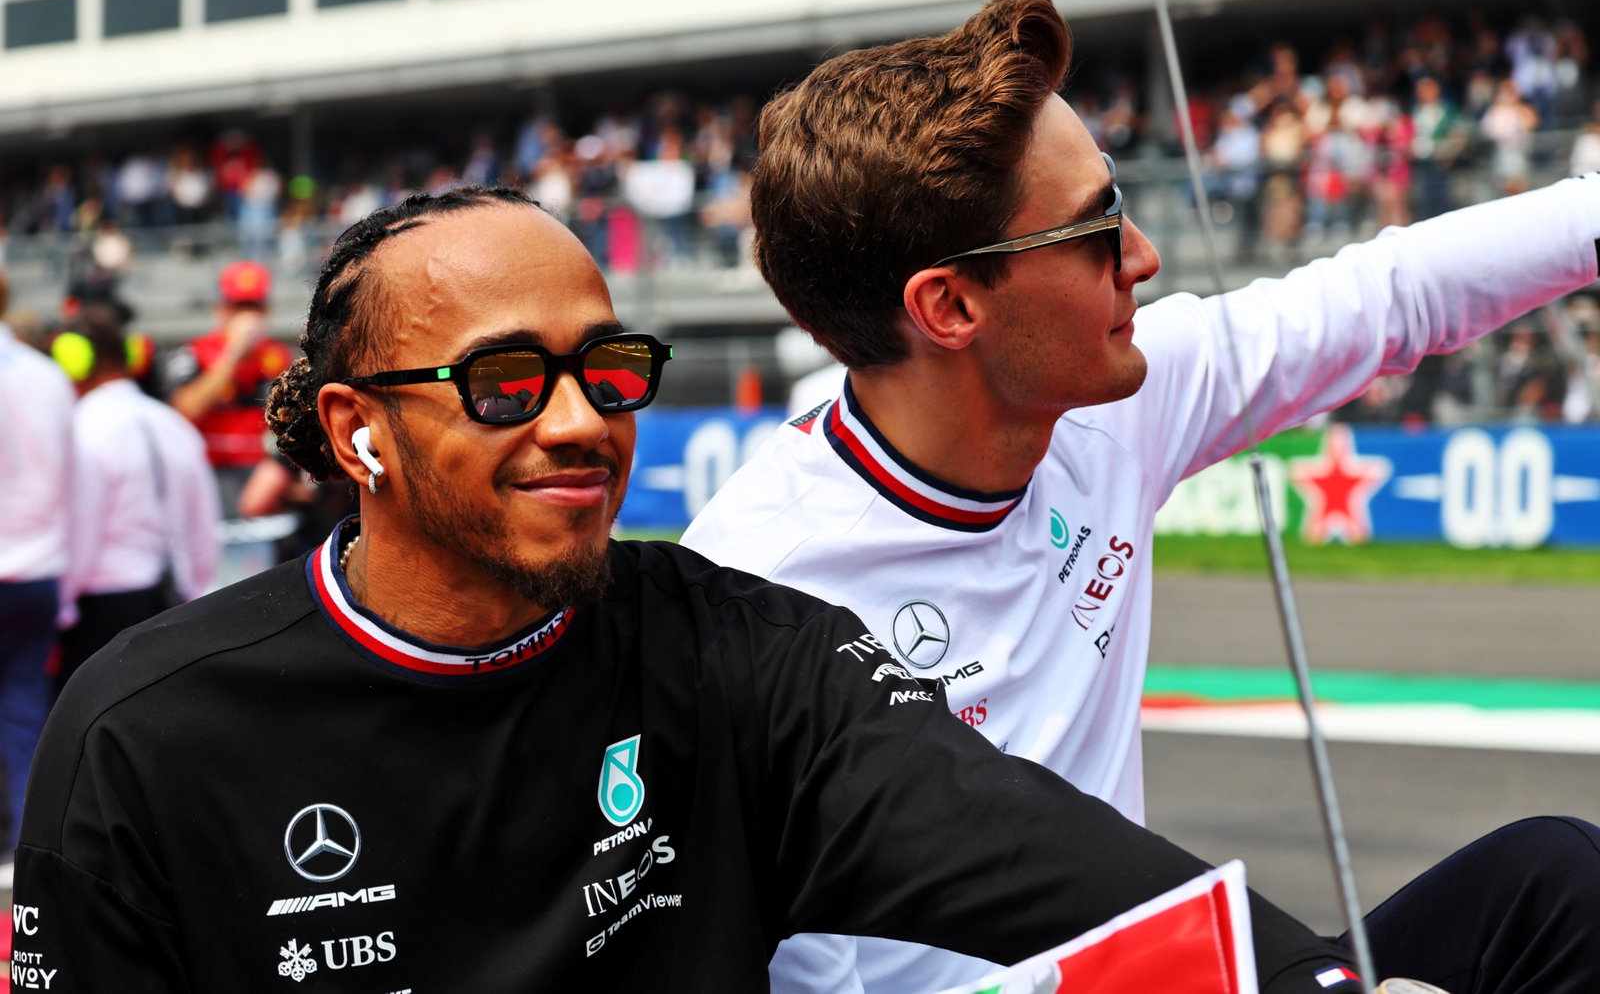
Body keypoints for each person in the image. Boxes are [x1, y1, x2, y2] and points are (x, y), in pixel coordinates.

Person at [13, 186, 1379, 992]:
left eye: (606, 371)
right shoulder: (147, 728)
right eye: (505, 382)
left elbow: (1040, 860)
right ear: (361, 432)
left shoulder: (734, 648)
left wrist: (1312, 977)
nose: (576, 421)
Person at [679, 0, 1600, 994]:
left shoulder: (1116, 399)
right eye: (1094, 228)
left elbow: (1388, 296)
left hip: (1169, 970)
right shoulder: (750, 604)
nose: (1144, 260)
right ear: (947, 306)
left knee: (1554, 880)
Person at [50, 306, 221, 693]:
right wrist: (197, 594)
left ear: (74, 360)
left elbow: (81, 529)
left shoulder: (84, 428)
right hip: (174, 600)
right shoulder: (174, 425)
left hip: (101, 605)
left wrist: (61, 606)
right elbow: (204, 527)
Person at [0, 266, 74, 859]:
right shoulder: (48, 377)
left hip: (32, 563)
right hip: (39, 572)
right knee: (25, 711)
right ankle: (28, 845)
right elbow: (70, 481)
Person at [165, 258, 295, 515]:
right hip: (207, 472)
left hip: (261, 476)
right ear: (221, 310)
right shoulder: (194, 353)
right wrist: (233, 354)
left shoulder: (280, 357)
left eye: (254, 307)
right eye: (238, 307)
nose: (247, 317)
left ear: (266, 310)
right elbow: (186, 409)